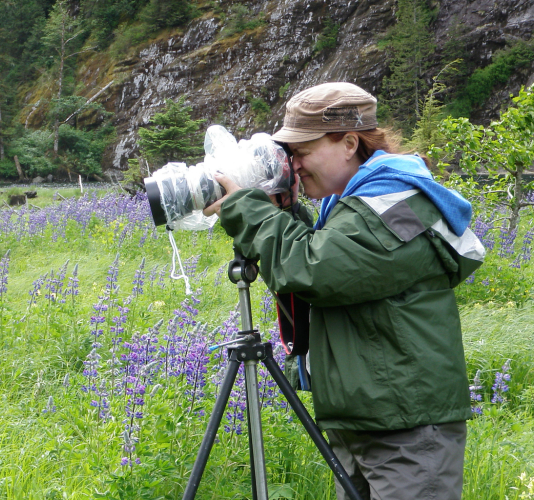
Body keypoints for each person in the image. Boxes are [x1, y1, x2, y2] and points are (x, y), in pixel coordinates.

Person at [203, 82, 485, 500]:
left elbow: (314, 269)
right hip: (370, 420)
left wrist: (247, 208)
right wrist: (284, 210)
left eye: (302, 152)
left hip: (405, 431)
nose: (293, 166)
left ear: (349, 142)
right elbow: (333, 260)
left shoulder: (395, 201)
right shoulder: (356, 204)